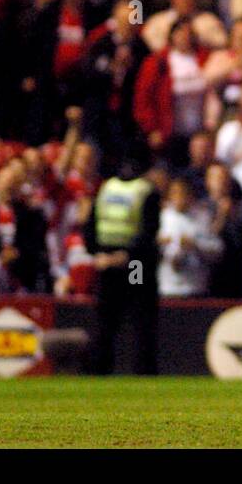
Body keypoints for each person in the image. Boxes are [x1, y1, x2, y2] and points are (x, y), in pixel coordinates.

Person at [86, 154, 161, 375]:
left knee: (107, 323)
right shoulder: (147, 190)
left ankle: (99, 373)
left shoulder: (106, 189)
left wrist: (98, 254)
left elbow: (91, 225)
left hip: (109, 263)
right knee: (140, 322)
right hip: (135, 265)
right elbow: (150, 230)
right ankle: (142, 374)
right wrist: (126, 256)